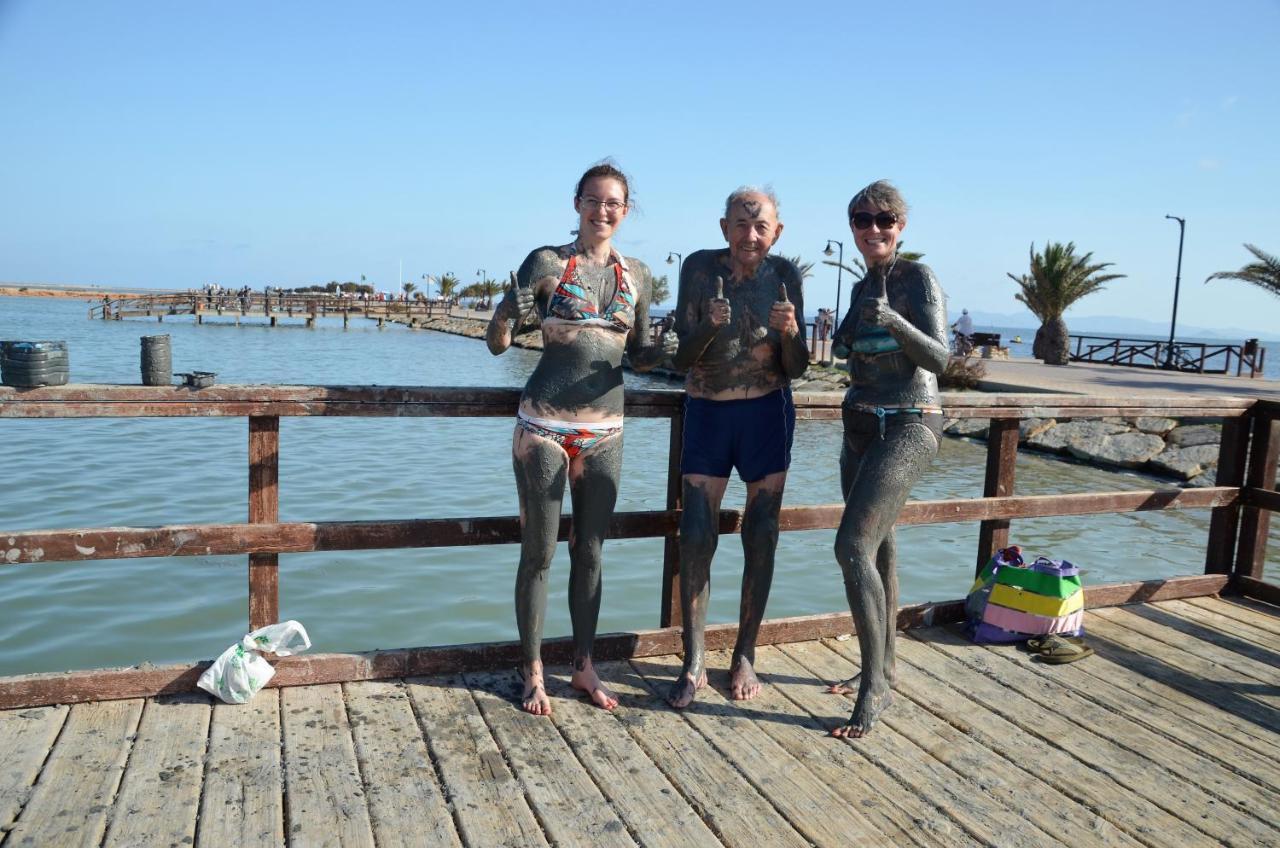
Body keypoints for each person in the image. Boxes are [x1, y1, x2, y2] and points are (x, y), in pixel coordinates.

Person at [486, 162, 676, 716]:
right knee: (538, 554)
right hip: (543, 426)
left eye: (614, 202)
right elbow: (498, 343)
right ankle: (532, 670)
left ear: (625, 210)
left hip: (606, 431)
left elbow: (638, 353)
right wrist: (508, 316)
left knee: (591, 552)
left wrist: (667, 352)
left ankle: (585, 666)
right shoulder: (546, 262)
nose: (603, 210)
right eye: (593, 200)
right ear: (577, 203)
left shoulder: (636, 274)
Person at [666, 187, 808, 708]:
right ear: (724, 226)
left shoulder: (786, 275)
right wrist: (709, 326)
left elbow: (797, 367)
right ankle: (694, 658)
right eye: (740, 225)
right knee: (697, 533)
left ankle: (745, 652)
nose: (751, 235)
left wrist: (790, 334)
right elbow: (680, 359)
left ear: (777, 230)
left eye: (761, 225)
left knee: (762, 533)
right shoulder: (700, 270)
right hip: (708, 409)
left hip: (767, 411)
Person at [828, 180, 949, 737]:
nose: (872, 229)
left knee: (851, 544)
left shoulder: (917, 279)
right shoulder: (859, 287)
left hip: (910, 422)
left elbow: (941, 358)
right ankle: (885, 664)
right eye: (861, 219)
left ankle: (875, 684)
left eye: (884, 220)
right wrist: (851, 330)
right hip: (859, 424)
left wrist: (895, 321)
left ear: (901, 227)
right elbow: (844, 353)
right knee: (880, 546)